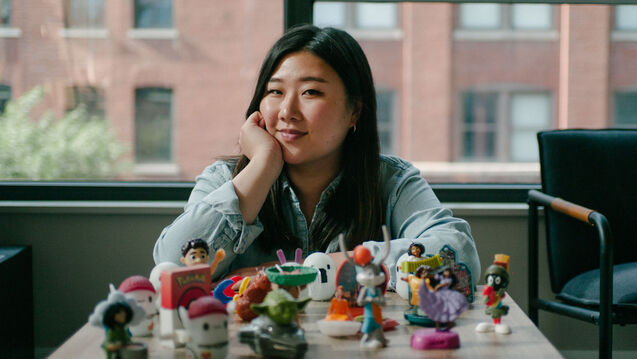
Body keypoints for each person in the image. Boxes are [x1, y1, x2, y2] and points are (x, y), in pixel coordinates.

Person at [153, 24, 480, 289]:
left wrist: (325, 268)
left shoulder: (390, 181)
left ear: (354, 111)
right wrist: (263, 167)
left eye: (311, 92)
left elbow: (457, 253)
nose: (286, 112)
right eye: (275, 91)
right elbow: (172, 267)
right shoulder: (227, 179)